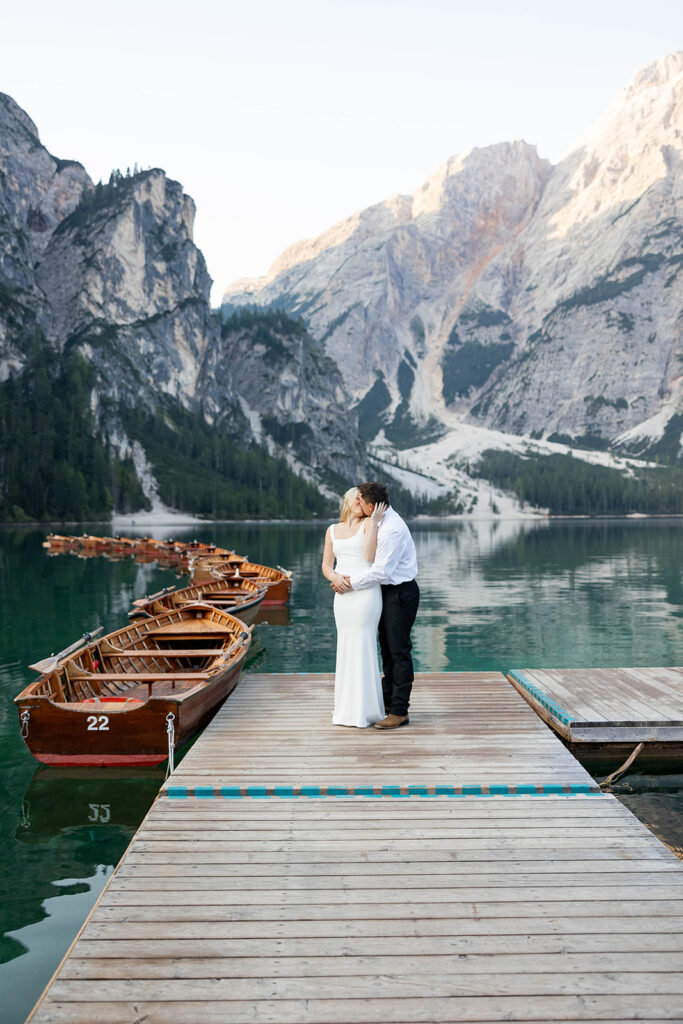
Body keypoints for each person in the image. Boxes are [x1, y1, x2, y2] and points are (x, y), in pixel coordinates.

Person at [332, 482, 419, 730]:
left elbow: (381, 571)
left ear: (372, 506)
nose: (356, 503)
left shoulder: (391, 529)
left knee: (399, 651)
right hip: (386, 593)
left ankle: (400, 711)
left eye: (360, 500)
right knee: (388, 650)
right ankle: (389, 702)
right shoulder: (378, 521)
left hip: (400, 593)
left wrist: (349, 582)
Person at [321, 487, 387, 727]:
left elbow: (369, 557)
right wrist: (334, 578)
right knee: (346, 645)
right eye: (356, 497)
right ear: (347, 500)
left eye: (363, 498)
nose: (360, 501)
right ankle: (346, 710)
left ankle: (366, 711)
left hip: (364, 593)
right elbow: (327, 564)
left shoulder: (369, 524)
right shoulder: (332, 530)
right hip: (342, 596)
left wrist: (376, 520)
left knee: (363, 645)